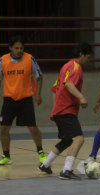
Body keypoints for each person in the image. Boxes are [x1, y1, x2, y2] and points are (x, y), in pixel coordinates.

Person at [38, 42, 93, 180]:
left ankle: (45, 164)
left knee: (67, 140)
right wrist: (81, 97)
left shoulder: (66, 66)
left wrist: (56, 107)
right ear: (81, 54)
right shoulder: (76, 67)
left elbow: (54, 88)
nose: (88, 60)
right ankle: (66, 170)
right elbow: (68, 84)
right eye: (88, 57)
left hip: (60, 110)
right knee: (79, 139)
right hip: (66, 111)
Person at [0, 35, 47, 165]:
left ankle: (40, 151)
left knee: (33, 128)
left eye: (21, 48)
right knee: (4, 129)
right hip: (9, 99)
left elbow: (39, 76)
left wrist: (38, 94)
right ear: (10, 48)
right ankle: (6, 155)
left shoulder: (29, 59)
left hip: (26, 98)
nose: (19, 50)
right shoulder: (3, 60)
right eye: (16, 48)